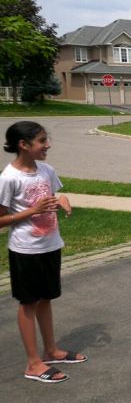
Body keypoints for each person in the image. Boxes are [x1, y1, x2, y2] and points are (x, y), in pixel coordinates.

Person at [0, 121, 85, 384]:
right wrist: (32, 212)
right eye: (41, 141)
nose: (47, 145)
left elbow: (54, 196)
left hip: (50, 245)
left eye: (46, 139)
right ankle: (33, 363)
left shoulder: (46, 170)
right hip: (26, 249)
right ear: (23, 145)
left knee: (46, 299)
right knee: (29, 303)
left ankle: (51, 351)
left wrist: (63, 199)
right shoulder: (9, 178)